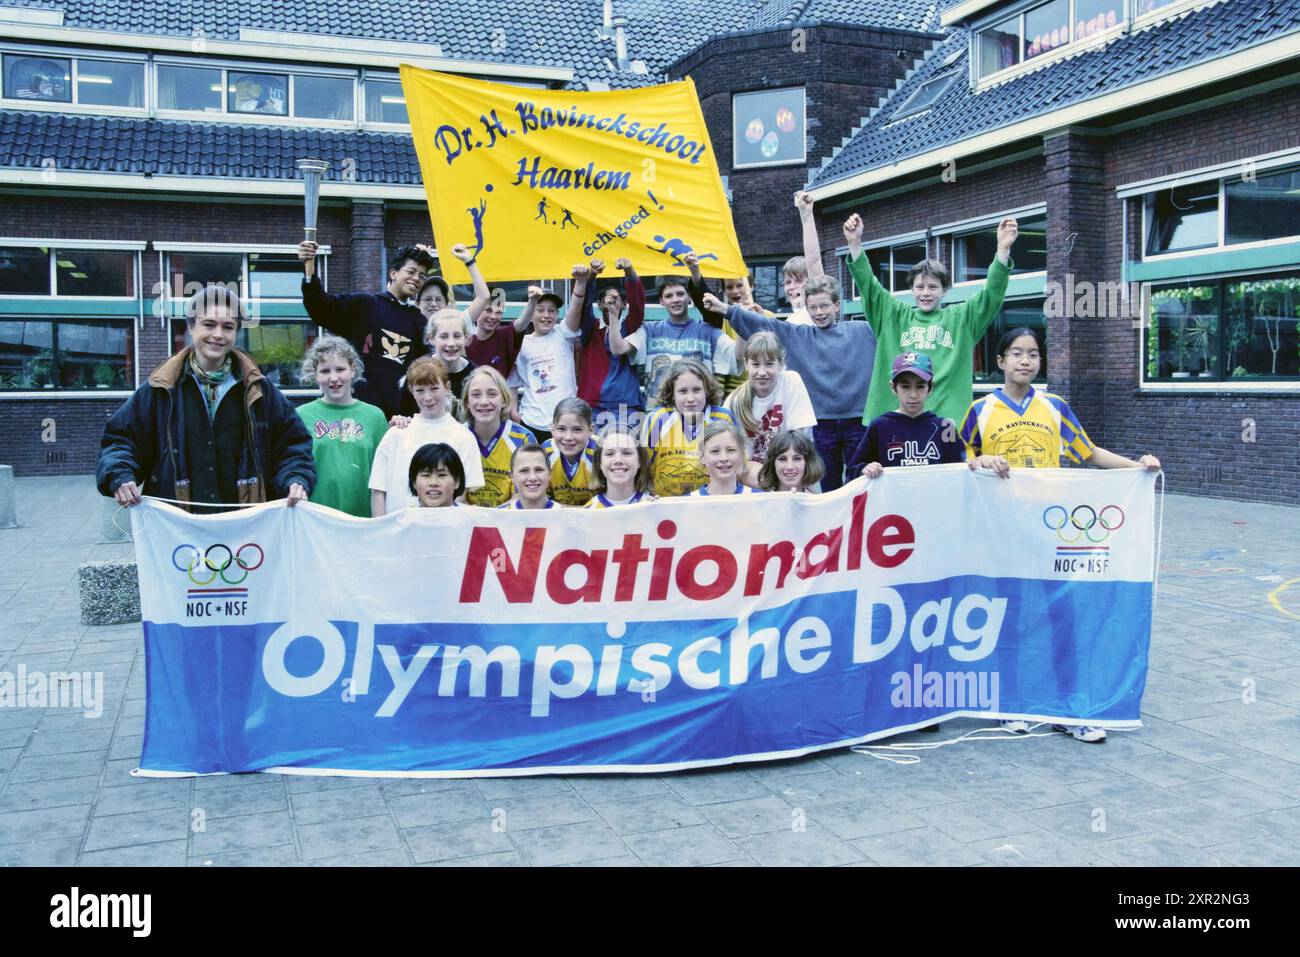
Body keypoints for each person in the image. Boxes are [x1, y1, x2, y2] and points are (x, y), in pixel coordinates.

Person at [960, 327, 1161, 744]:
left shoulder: (1055, 408)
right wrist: (982, 462)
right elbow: (961, 465)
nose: (1025, 360)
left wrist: (1137, 467)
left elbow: (1088, 452)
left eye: (1033, 354)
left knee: (1064, 617)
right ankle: (1008, 704)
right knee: (1010, 617)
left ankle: (1072, 706)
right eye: (1016, 353)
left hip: (1052, 528)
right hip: (1003, 530)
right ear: (999, 361)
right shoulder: (979, 410)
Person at [98, 287, 313, 512]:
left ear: (236, 332)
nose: (218, 334)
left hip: (247, 526)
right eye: (209, 324)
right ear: (190, 327)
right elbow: (121, 440)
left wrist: (295, 478)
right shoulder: (160, 390)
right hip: (179, 525)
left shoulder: (260, 391)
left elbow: (293, 443)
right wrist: (120, 475)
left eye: (228, 327)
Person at [844, 211, 1019, 428]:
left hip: (946, 425)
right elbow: (868, 285)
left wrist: (1003, 250)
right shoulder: (892, 316)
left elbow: (991, 295)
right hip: (894, 424)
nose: (925, 292)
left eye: (933, 287)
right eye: (919, 287)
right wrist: (854, 243)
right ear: (911, 289)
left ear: (945, 290)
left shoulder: (961, 319)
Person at [703, 274, 875, 493]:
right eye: (813, 308)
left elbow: (887, 321)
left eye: (824, 306)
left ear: (837, 305)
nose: (819, 312)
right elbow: (768, 326)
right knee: (827, 482)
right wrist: (726, 309)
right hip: (822, 422)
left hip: (857, 418)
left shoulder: (862, 331)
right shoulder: (801, 335)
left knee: (861, 482)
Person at [298, 240, 432, 419]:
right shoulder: (366, 305)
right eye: (411, 271)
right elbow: (320, 307)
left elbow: (425, 371)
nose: (416, 278)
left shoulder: (419, 321)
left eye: (422, 275)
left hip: (400, 420)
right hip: (357, 415)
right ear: (393, 273)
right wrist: (309, 267)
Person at [368, 356, 483, 516]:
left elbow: (463, 494)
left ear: (447, 387)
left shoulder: (463, 436)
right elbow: (378, 490)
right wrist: (381, 532)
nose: (427, 398)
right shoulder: (396, 434)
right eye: (420, 390)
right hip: (398, 533)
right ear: (411, 390)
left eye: (434, 388)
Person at [295, 335, 388, 517]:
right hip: (316, 519)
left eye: (340, 369)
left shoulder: (375, 416)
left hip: (363, 520)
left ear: (352, 370)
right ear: (315, 374)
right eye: (325, 371)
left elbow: (385, 475)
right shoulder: (301, 416)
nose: (334, 378)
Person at [624, 274, 732, 409]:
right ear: (661, 301)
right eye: (669, 296)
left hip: (696, 415)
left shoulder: (707, 332)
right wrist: (612, 315)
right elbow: (618, 349)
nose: (675, 299)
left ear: (689, 296)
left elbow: (738, 354)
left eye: (680, 294)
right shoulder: (650, 330)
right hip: (659, 417)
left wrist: (737, 313)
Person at [849, 352, 964, 478]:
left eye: (920, 386)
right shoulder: (880, 426)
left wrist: (977, 463)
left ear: (930, 388)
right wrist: (865, 468)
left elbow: (961, 471)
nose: (913, 395)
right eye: (905, 386)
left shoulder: (946, 427)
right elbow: (853, 472)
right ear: (893, 388)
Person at [723, 331, 816, 485]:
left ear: (781, 364)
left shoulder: (791, 382)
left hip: (793, 472)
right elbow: (731, 455)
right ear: (746, 364)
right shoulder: (734, 401)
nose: (762, 372)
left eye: (769, 364)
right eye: (755, 364)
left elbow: (798, 442)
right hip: (755, 478)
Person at [566, 258, 645, 428]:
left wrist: (630, 272)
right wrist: (592, 275)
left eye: (617, 299)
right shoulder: (591, 327)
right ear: (600, 304)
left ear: (624, 305)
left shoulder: (630, 327)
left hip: (626, 407)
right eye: (607, 299)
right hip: (592, 406)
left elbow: (638, 304)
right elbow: (585, 304)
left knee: (624, 451)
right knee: (591, 452)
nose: (611, 302)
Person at [640, 358, 736, 497]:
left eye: (696, 390)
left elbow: (740, 466)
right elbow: (644, 468)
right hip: (665, 506)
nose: (690, 398)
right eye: (683, 391)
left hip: (710, 503)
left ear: (707, 391)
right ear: (672, 394)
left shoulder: (723, 418)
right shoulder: (657, 419)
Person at [509, 286, 581, 443]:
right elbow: (511, 379)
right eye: (540, 310)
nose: (546, 315)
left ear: (557, 314)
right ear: (531, 312)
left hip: (565, 422)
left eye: (552, 310)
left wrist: (580, 283)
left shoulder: (563, 333)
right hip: (532, 422)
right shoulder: (521, 343)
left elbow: (576, 307)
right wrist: (513, 411)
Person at [459, 366, 538, 508]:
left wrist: (493, 516)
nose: (484, 401)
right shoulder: (457, 437)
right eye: (476, 395)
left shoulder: (523, 439)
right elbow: (458, 498)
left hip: (510, 521)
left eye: (492, 394)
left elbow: (524, 496)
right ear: (466, 402)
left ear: (504, 400)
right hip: (469, 521)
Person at [398, 308, 478, 417]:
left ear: (466, 338)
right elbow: (404, 415)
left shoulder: (475, 376)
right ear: (431, 338)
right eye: (444, 337)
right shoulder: (417, 372)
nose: (451, 343)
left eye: (457, 336)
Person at [543, 397, 598, 507]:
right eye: (561, 429)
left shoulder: (601, 452)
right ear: (552, 430)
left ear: (591, 430)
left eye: (577, 429)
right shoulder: (545, 452)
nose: (568, 437)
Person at [585, 426, 654, 508]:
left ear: (640, 461)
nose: (618, 460)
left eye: (627, 453)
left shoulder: (653, 506)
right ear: (599, 462)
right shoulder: (588, 512)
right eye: (610, 454)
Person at [692, 422, 764, 496]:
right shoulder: (689, 502)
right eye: (715, 451)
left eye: (731, 450)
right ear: (702, 457)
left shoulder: (759, 498)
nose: (724, 458)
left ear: (742, 454)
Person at [467, 288, 523, 378]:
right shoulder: (464, 343)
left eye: (498, 312)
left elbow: (521, 323)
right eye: (488, 310)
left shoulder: (505, 336)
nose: (493, 316)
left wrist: (533, 301)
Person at [757, 429, 825, 493]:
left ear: (808, 462)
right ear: (772, 464)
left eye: (797, 459)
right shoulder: (759, 502)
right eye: (782, 459)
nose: (790, 467)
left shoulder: (816, 503)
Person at [409, 442, 466, 508]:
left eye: (442, 475)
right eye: (426, 475)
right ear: (414, 482)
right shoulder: (401, 517)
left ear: (456, 481)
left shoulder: (473, 517)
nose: (433, 483)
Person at [499, 443, 556, 509]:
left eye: (539, 470)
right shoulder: (497, 517)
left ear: (549, 474)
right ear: (512, 477)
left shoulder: (566, 516)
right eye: (524, 471)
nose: (533, 478)